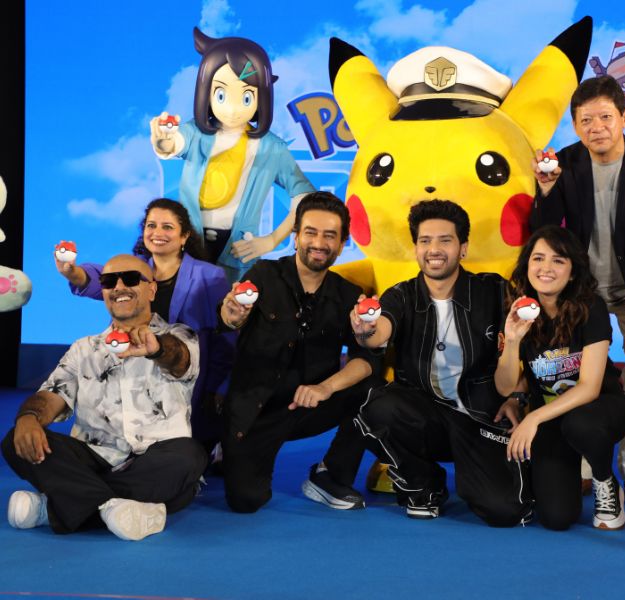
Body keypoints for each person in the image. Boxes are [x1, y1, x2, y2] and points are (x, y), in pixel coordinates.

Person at [529, 75, 625, 508]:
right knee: (575, 374)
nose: (596, 127)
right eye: (586, 120)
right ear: (576, 125)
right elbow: (544, 236)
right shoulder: (564, 164)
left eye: (605, 117)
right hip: (582, 290)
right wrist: (546, 190)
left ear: (624, 118)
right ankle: (584, 469)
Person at [2, 255, 206, 540]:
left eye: (131, 278)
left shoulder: (180, 336)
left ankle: (56, 507)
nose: (119, 286)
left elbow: (179, 359)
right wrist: (28, 418)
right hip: (94, 455)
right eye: (109, 281)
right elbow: (51, 396)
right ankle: (119, 507)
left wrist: (156, 349)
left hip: (157, 458)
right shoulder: (83, 348)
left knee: (188, 458)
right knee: (17, 439)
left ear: (151, 289)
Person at [352, 200, 528, 526]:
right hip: (425, 415)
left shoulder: (494, 290)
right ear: (416, 249)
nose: (434, 249)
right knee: (374, 405)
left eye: (445, 240)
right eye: (425, 241)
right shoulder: (401, 295)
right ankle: (425, 485)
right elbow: (379, 332)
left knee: (504, 511)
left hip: (482, 417)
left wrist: (517, 397)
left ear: (463, 248)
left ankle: (480, 473)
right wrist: (366, 331)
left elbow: (525, 357)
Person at [219, 191, 382, 513]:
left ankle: (331, 475)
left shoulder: (348, 293)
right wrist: (232, 314)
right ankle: (222, 449)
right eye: (310, 232)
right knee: (245, 501)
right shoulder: (263, 274)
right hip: (256, 411)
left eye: (330, 235)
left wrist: (326, 388)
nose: (319, 243)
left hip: (310, 404)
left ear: (342, 244)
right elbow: (229, 317)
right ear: (296, 237)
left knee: (374, 391)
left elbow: (367, 360)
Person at [55, 198, 234, 452]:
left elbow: (224, 336)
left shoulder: (209, 275)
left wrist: (220, 387)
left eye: (167, 227)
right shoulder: (134, 267)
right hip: (136, 374)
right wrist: (73, 273)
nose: (157, 233)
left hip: (187, 376)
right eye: (151, 225)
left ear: (184, 236)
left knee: (185, 453)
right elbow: (100, 278)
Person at [495, 225, 625, 530]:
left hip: (602, 409)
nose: (546, 268)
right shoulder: (517, 310)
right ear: (527, 265)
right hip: (553, 419)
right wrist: (513, 340)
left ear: (572, 272)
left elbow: (589, 388)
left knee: (580, 422)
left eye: (558, 260)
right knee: (557, 518)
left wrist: (533, 418)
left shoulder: (591, 307)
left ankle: (604, 481)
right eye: (538, 258)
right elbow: (504, 386)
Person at [150, 28, 315, 282]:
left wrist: (272, 240)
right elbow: (174, 144)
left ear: (262, 96)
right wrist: (163, 140)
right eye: (221, 94)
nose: (234, 108)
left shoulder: (271, 148)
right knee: (182, 298)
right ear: (205, 91)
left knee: (233, 302)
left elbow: (304, 194)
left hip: (237, 248)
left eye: (247, 97)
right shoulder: (196, 133)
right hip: (188, 243)